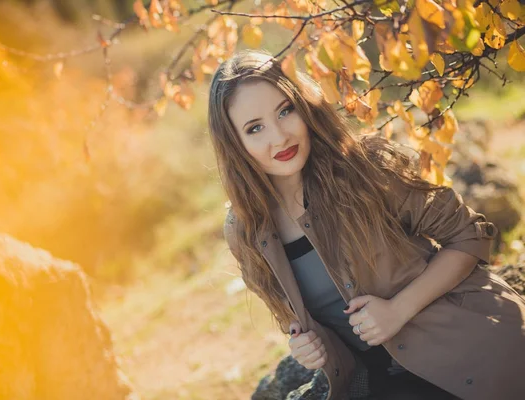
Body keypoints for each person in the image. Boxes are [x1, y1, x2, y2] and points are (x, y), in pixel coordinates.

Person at [207, 49, 525, 400]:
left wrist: (397, 309)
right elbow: (292, 318)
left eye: (285, 110)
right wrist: (306, 346)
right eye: (255, 128)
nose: (279, 137)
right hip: (378, 379)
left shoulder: (366, 168)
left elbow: (469, 235)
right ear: (235, 145)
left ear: (304, 105)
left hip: (464, 348)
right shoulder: (245, 230)